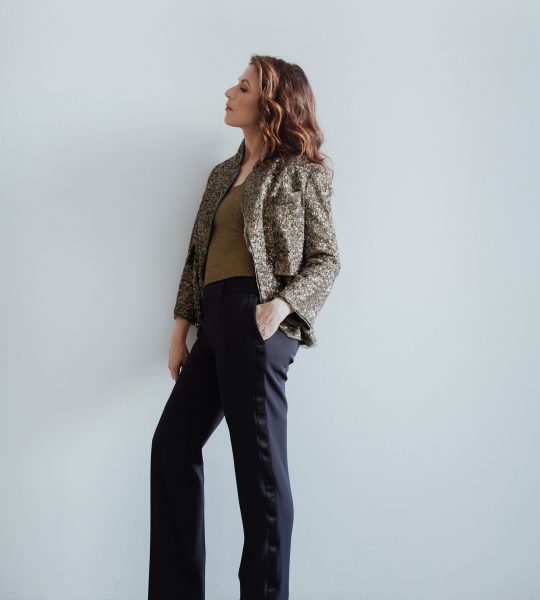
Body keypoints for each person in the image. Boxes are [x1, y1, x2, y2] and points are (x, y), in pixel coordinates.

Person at [148, 55, 341, 600]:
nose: (229, 92)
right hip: (212, 320)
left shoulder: (304, 171)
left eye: (244, 86)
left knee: (258, 476)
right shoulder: (221, 175)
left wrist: (280, 308)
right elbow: (195, 258)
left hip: (259, 320)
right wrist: (180, 328)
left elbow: (327, 260)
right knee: (172, 446)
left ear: (271, 102)